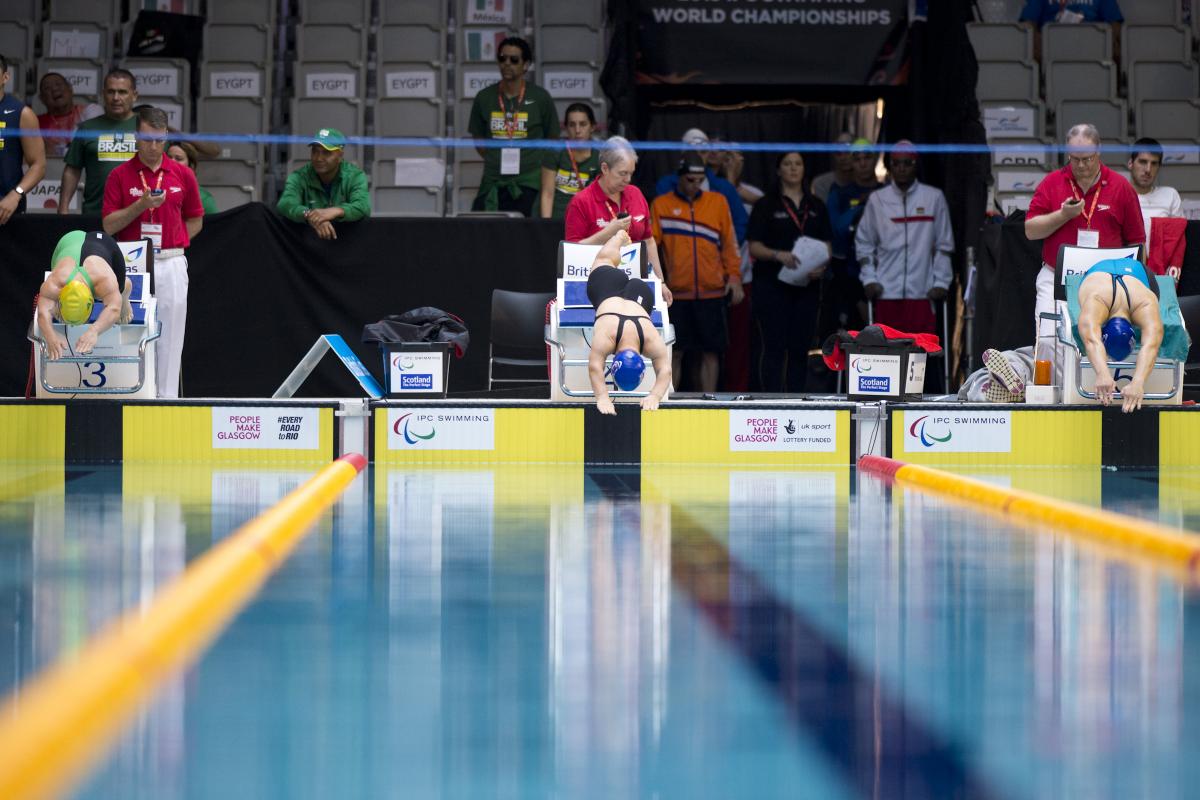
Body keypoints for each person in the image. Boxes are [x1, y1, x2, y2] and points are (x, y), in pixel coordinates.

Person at [102, 106, 203, 399]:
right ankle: (131, 395)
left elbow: (196, 218)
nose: (153, 147)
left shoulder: (182, 174)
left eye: (159, 140)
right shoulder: (120, 175)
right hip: (132, 261)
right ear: (136, 137)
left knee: (171, 337)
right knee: (131, 330)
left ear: (167, 136)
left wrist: (178, 241)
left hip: (170, 260)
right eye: (147, 140)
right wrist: (140, 206)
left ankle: (167, 400)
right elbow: (108, 225)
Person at [1024, 123, 1144, 340]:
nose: (1081, 165)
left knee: (1101, 342)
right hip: (1057, 277)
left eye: (1087, 159)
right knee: (1049, 342)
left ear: (1098, 152)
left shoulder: (1120, 187)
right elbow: (1030, 231)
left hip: (1106, 279)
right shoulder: (1052, 183)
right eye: (1074, 158)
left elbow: (1137, 241)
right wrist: (1062, 215)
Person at [651, 153, 743, 393]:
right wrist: (656, 282)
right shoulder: (661, 205)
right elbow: (650, 247)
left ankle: (709, 403)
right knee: (674, 351)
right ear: (679, 178)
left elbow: (730, 244)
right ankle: (666, 402)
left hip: (711, 292)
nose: (695, 185)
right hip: (676, 294)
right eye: (690, 179)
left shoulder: (718, 202)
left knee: (711, 351)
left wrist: (734, 277)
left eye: (700, 180)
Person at [747, 151, 833, 393]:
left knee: (800, 347)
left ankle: (796, 398)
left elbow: (828, 244)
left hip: (807, 286)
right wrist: (778, 254)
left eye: (798, 164)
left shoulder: (816, 205)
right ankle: (771, 401)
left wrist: (821, 265)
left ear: (804, 169)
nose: (793, 169)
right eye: (787, 164)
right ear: (778, 170)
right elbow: (754, 245)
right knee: (774, 347)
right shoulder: (766, 204)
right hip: (772, 285)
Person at [855, 140, 954, 336]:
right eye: (896, 163)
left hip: (922, 293)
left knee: (921, 355)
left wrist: (941, 282)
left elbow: (944, 244)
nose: (901, 168)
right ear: (889, 165)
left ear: (916, 165)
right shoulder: (878, 200)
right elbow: (864, 243)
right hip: (886, 292)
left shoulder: (933, 198)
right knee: (887, 356)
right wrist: (869, 279)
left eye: (907, 163)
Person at [564, 136, 671, 303]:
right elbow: (571, 252)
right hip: (597, 289)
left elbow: (649, 241)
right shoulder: (581, 202)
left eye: (631, 173)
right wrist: (608, 232)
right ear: (605, 168)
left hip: (636, 285)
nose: (628, 179)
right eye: (622, 173)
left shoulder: (635, 193)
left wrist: (660, 282)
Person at [467, 36, 558, 216]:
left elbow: (552, 139)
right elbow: (478, 138)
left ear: (526, 65)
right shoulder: (484, 97)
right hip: (493, 182)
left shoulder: (540, 97)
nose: (507, 64)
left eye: (514, 60)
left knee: (523, 238)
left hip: (529, 182)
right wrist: (496, 157)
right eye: (502, 58)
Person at [586, 230, 673, 414]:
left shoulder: (649, 341)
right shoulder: (608, 339)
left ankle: (619, 238)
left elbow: (665, 369)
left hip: (640, 296)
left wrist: (655, 395)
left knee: (604, 260)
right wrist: (602, 397)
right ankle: (618, 237)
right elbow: (594, 366)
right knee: (603, 261)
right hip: (608, 292)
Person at [1076, 257, 1162, 413]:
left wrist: (1138, 382)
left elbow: (1092, 340)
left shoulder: (1145, 302)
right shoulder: (1144, 303)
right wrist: (1103, 373)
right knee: (1154, 328)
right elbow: (1150, 345)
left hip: (1116, 272)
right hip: (1123, 272)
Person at [36, 230, 133, 360]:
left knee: (119, 292)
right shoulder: (55, 283)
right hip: (68, 241)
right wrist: (50, 337)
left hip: (103, 243)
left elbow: (113, 309)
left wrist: (94, 331)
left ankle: (125, 294)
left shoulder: (103, 282)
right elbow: (42, 312)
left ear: (92, 302)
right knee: (48, 300)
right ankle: (60, 309)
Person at [61, 69, 140, 216]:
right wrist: (63, 209)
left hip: (140, 214)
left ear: (134, 95)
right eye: (111, 92)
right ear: (103, 94)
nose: (116, 98)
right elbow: (72, 170)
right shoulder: (87, 128)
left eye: (122, 92)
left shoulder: (148, 127)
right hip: (96, 213)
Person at [653, 128, 749, 245]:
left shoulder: (724, 188)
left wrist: (721, 248)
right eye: (693, 151)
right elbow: (656, 230)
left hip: (713, 260)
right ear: (683, 154)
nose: (698, 156)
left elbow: (740, 224)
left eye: (703, 152)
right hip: (676, 258)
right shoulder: (666, 186)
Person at [824, 137, 881, 332]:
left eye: (867, 157)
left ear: (875, 160)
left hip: (885, 272)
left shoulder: (887, 191)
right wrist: (861, 206)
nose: (863, 163)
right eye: (857, 159)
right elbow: (835, 230)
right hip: (848, 275)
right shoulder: (840, 193)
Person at [276, 128, 370, 239]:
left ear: (340, 156)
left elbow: (363, 207)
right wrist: (310, 215)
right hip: (307, 245)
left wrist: (337, 211)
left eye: (326, 152)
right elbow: (285, 204)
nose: (318, 158)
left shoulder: (355, 176)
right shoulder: (299, 176)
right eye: (315, 151)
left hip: (347, 243)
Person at [0, 54, 46, 225]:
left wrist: (16, 194)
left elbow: (39, 165)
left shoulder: (21, 113)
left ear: (5, 77)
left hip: (5, 209)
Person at [540, 102, 599, 220]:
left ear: (592, 127)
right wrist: (546, 227)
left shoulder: (600, 157)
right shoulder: (555, 152)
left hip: (583, 222)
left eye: (583, 124)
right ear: (566, 128)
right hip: (555, 219)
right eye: (572, 125)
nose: (577, 130)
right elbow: (547, 194)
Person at [1019, 0, 1123, 64]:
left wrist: (1112, 39)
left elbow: (1115, 23)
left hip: (1092, 48)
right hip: (1053, 49)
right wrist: (1035, 39)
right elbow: (1028, 22)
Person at [1127, 137, 1183, 250]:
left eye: (1154, 164)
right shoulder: (1119, 195)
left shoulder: (1170, 195)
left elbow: (1179, 239)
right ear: (1130, 163)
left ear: (1159, 167)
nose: (1148, 169)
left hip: (1162, 265)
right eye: (1143, 162)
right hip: (1126, 264)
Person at [36, 72, 102, 157]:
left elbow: (92, 148)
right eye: (47, 88)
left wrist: (56, 150)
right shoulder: (35, 123)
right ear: (42, 99)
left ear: (70, 88)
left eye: (58, 84)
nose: (55, 89)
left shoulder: (91, 110)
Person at [165, 140, 217, 215]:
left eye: (178, 159)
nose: (172, 162)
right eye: (169, 157)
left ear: (190, 165)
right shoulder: (156, 189)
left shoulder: (203, 198)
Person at [810, 132, 855, 204]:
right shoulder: (820, 183)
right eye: (839, 154)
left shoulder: (863, 184)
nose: (843, 158)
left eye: (847, 152)